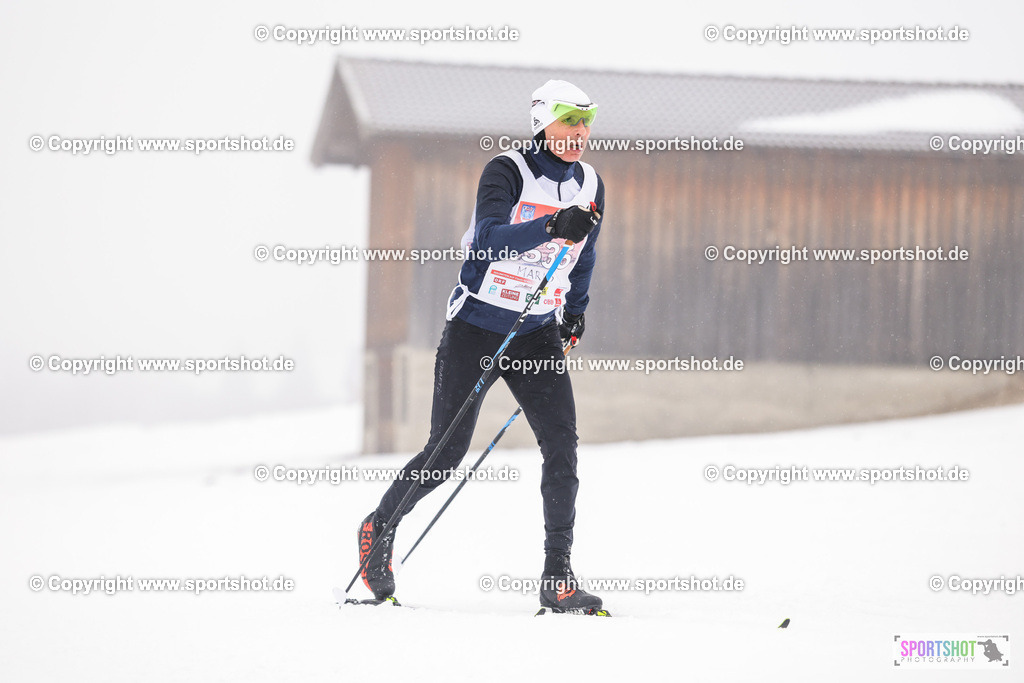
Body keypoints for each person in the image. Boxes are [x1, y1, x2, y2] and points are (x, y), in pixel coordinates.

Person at [358, 79, 606, 612]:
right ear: (543, 122)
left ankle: (557, 579)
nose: (579, 134)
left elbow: (584, 256)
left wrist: (575, 315)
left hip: (536, 329)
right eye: (569, 122)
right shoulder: (506, 171)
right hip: (475, 325)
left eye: (586, 123)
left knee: (562, 447)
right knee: (445, 453)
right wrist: (551, 225)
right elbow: (491, 238)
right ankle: (379, 530)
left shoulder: (590, 183)